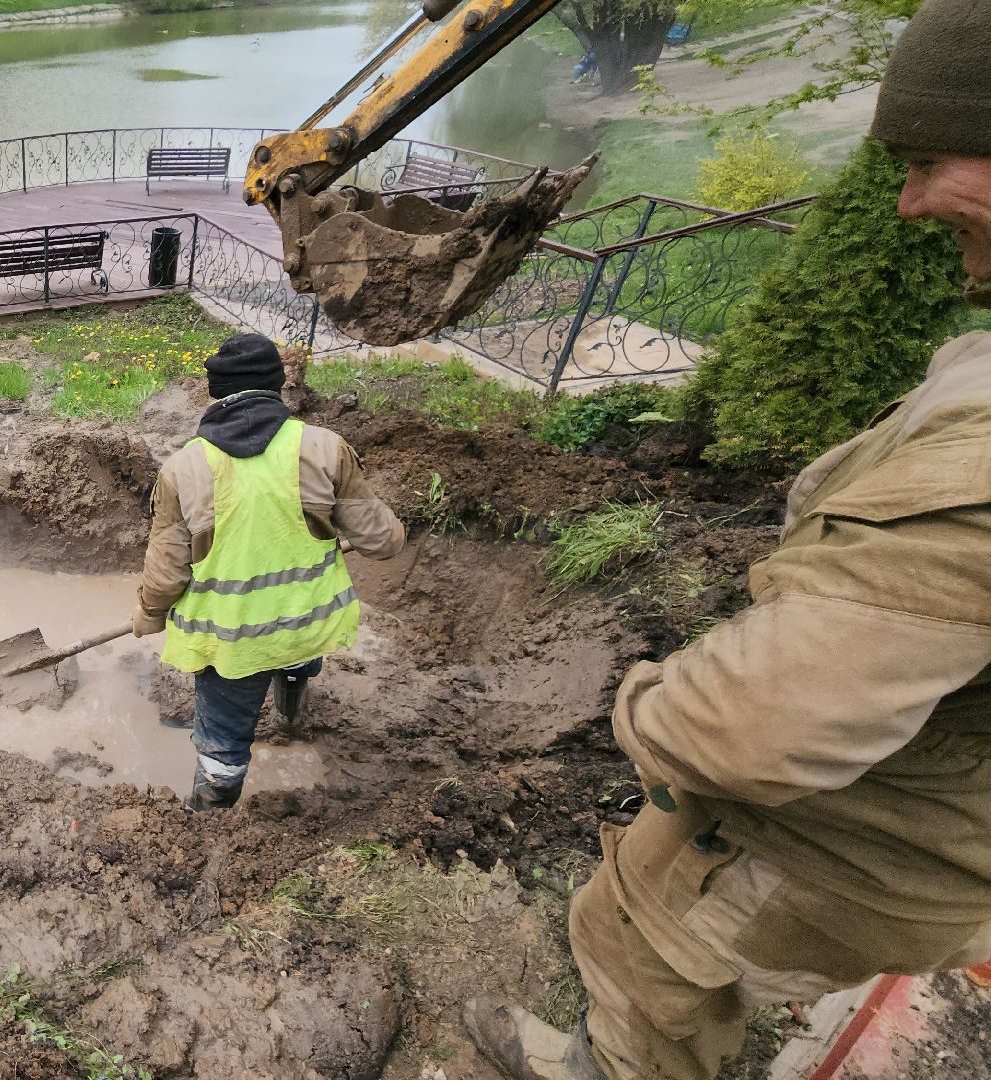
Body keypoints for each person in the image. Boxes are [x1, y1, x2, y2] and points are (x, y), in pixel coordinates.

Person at [464, 1, 991, 1075]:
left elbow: (741, 732)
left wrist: (643, 705)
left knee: (639, 948)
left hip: (854, 839)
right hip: (928, 805)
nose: (908, 200)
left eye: (934, 157)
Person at [131, 333, 406, 811]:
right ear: (278, 385)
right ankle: (291, 718)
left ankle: (212, 814)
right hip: (307, 622)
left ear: (214, 391)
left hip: (233, 641)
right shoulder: (325, 448)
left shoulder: (184, 468)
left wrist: (149, 613)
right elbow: (381, 542)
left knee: (223, 739)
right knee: (296, 659)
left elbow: (167, 572)